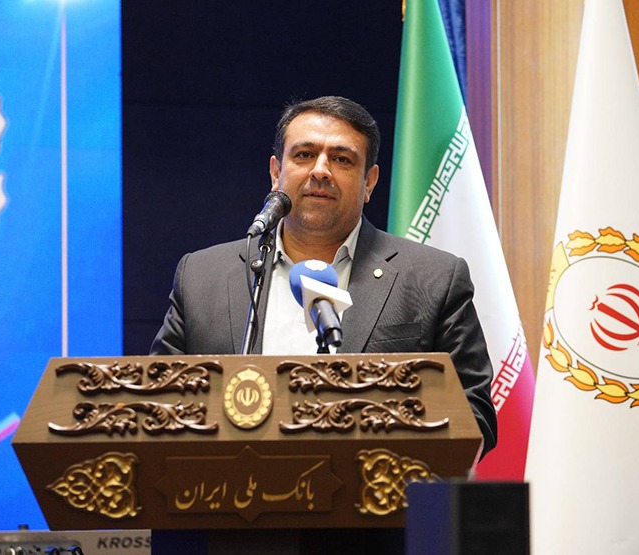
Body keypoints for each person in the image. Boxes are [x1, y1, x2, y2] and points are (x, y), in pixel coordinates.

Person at [150, 95, 497, 457]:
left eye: (342, 159)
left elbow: (474, 416)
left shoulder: (433, 279)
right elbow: (158, 405)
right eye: (304, 155)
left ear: (369, 182)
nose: (320, 170)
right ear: (275, 173)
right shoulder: (201, 277)